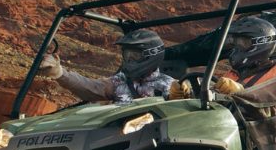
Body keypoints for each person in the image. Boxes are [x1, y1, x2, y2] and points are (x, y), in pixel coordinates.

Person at [37, 29, 177, 103]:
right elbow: (92, 87)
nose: (129, 60)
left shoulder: (169, 85)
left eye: (134, 55)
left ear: (151, 54)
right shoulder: (120, 81)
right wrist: (60, 73)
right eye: (127, 55)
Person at [211, 16, 276, 97]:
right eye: (235, 42)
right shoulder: (235, 70)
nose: (237, 48)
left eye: (243, 43)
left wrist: (242, 93)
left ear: (261, 44)